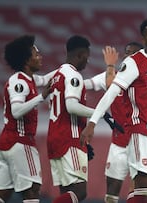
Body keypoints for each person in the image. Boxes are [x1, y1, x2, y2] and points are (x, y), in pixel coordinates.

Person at [80, 17, 147, 203]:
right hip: (141, 132)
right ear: (144, 39)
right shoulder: (134, 62)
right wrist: (92, 123)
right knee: (141, 189)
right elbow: (111, 93)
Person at [0, 35, 54, 203]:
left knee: (2, 194)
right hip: (20, 143)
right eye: (36, 54)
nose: (40, 57)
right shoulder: (19, 83)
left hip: (7, 143)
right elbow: (16, 111)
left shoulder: (27, 79)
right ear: (26, 59)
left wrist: (66, 68)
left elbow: (46, 79)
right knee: (32, 190)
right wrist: (41, 97)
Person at [84, 42, 144, 203]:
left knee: (137, 190)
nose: (128, 56)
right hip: (118, 144)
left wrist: (110, 65)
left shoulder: (144, 81)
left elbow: (111, 87)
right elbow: (85, 84)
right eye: (127, 52)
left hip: (140, 143)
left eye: (133, 53)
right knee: (112, 190)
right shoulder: (112, 76)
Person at [46, 35, 96, 203]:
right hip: (70, 139)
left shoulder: (57, 75)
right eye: (86, 58)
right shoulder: (73, 76)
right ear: (80, 55)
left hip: (55, 138)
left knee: (66, 193)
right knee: (80, 193)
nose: (87, 62)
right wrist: (98, 113)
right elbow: (72, 107)